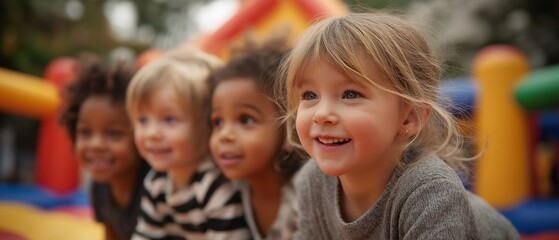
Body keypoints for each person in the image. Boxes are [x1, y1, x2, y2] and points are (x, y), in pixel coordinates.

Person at [281, 12, 521, 239]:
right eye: (310, 95)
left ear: (409, 118)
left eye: (350, 94)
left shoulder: (430, 192)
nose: (321, 115)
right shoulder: (312, 181)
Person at [126, 49, 250, 240]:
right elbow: (145, 234)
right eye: (142, 120)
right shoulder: (157, 182)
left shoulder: (215, 187)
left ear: (207, 124)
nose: (152, 133)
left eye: (169, 119)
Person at [209, 36, 305, 240]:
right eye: (218, 122)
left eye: (246, 119)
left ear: (289, 128)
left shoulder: (306, 193)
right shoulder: (226, 191)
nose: (224, 135)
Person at [60, 54, 150, 240]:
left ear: (142, 134)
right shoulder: (99, 186)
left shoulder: (155, 187)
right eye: (85, 132)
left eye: (114, 134)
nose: (96, 145)